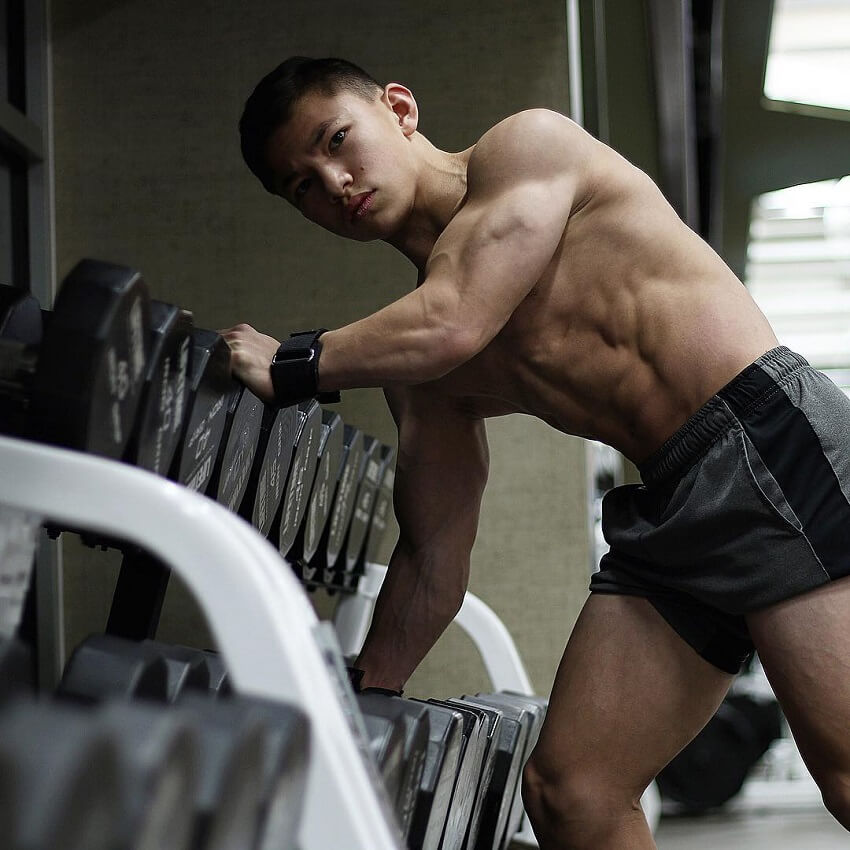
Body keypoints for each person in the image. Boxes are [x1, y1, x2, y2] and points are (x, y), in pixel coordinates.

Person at [222, 57, 850, 849]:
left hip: (764, 441)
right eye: (303, 185)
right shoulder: (416, 369)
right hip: (670, 500)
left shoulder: (528, 150)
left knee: (845, 775)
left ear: (401, 109)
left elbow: (455, 316)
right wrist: (362, 698)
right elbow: (434, 552)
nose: (334, 181)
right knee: (572, 794)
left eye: (337, 140)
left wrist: (292, 363)